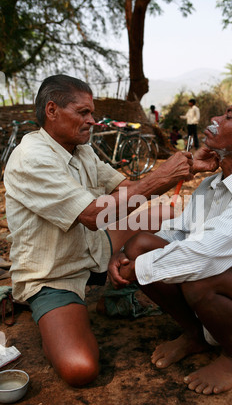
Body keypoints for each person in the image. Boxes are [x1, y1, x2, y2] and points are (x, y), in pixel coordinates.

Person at [4, 74, 194, 387]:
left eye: (91, 113)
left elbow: (126, 188)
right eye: (83, 113)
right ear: (52, 110)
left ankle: (109, 281)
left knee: (162, 212)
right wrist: (160, 177)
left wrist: (187, 169)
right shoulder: (31, 158)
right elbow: (95, 215)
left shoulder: (82, 149)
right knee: (81, 369)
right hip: (55, 274)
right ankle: (49, 306)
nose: (92, 120)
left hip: (91, 247)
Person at [108, 94, 232, 395]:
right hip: (210, 279)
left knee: (198, 274)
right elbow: (178, 233)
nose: (215, 120)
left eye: (228, 117)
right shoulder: (211, 185)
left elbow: (205, 254)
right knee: (140, 243)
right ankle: (195, 335)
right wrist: (126, 256)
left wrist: (140, 269)